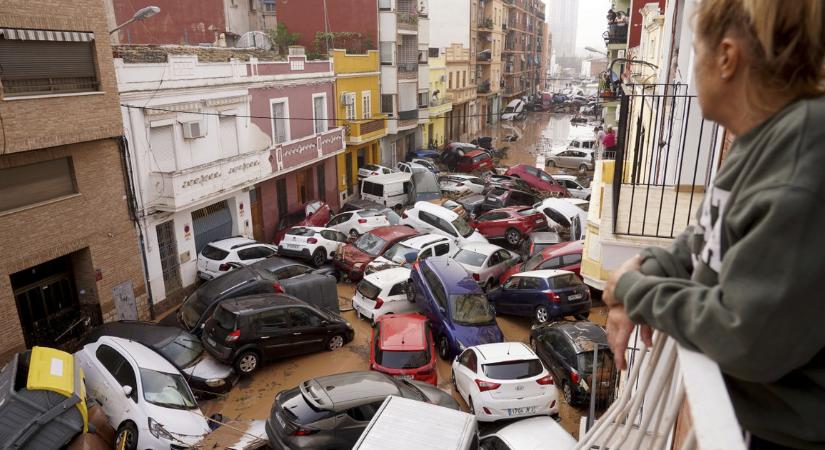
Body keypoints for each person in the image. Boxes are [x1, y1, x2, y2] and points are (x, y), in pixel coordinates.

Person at [602, 1, 825, 449]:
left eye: (698, 51)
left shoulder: (802, 160)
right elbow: (703, 239)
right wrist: (649, 265)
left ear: (726, 57)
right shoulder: (760, 138)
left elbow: (745, 336)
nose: (692, 69)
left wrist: (632, 291)